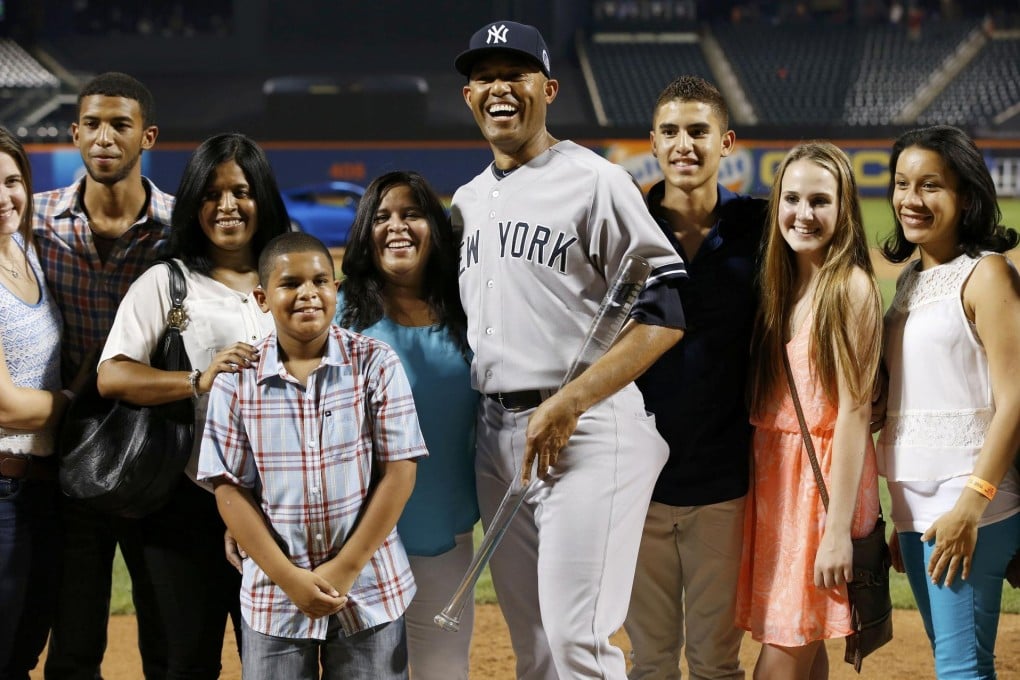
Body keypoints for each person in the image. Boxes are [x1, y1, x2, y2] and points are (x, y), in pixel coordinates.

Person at [452, 20, 688, 679]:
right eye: (485, 78)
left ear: (548, 88)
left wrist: (572, 402)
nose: (500, 87)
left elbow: (665, 312)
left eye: (516, 74)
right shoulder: (468, 201)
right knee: (535, 651)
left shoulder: (595, 181)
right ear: (470, 97)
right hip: (497, 439)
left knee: (577, 642)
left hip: (586, 433)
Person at [96, 132, 291, 678]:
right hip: (184, 502)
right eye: (211, 193)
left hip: (277, 504)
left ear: (263, 199)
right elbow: (112, 374)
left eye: (241, 191)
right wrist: (195, 380)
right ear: (192, 204)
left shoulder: (289, 277)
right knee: (184, 661)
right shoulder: (170, 281)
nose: (226, 206)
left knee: (275, 659)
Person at [197, 232, 427, 680]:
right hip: (275, 594)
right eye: (290, 284)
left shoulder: (375, 364)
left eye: (320, 281)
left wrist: (345, 568)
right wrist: (289, 578)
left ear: (335, 291)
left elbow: (400, 472)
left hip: (370, 586)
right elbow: (228, 487)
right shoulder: (237, 380)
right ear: (262, 298)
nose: (307, 293)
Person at [623, 75, 766, 680]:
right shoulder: (624, 226)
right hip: (634, 486)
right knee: (650, 663)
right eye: (672, 132)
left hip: (723, 484)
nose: (685, 144)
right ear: (652, 143)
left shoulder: (761, 227)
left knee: (716, 662)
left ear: (726, 142)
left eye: (699, 131)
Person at [33, 71, 173, 680]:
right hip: (67, 446)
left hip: (161, 445)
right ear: (74, 132)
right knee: (74, 641)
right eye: (92, 124)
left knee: (169, 640)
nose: (104, 138)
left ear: (148, 137)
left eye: (120, 125)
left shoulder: (180, 226)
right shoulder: (33, 222)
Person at [876, 125, 1020, 679]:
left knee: (959, 670)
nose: (912, 199)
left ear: (965, 195)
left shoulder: (988, 274)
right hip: (914, 509)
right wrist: (901, 518)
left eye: (931, 186)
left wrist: (972, 504)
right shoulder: (910, 280)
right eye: (902, 184)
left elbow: (1013, 401)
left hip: (970, 503)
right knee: (959, 662)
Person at [736, 141, 883, 679]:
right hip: (779, 487)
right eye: (792, 198)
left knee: (778, 659)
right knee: (804, 644)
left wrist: (838, 530)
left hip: (819, 493)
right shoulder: (785, 283)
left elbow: (853, 414)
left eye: (820, 200)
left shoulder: (850, 289)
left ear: (844, 209)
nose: (804, 213)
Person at [335, 170, 478, 680]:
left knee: (444, 670)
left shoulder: (468, 308)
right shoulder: (338, 311)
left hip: (445, 529)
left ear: (433, 228)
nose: (396, 227)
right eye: (381, 217)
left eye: (411, 214)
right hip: (354, 535)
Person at [0, 127, 74, 678]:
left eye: (11, 181)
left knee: (25, 650)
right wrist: (79, 401)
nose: (4, 198)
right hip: (2, 492)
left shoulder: (25, 250)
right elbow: (5, 408)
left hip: (43, 488)